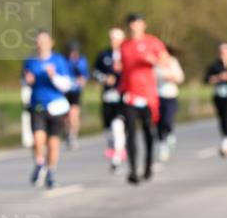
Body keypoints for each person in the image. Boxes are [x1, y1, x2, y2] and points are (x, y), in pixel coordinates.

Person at [118, 13, 168, 184]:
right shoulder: (124, 46)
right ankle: (133, 170)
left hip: (148, 95)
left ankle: (148, 166)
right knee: (130, 132)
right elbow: (121, 67)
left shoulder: (153, 42)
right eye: (131, 24)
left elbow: (165, 62)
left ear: (143, 25)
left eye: (137, 23)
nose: (134, 27)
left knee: (148, 131)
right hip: (130, 95)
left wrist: (153, 60)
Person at [23, 30, 73, 188]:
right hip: (37, 104)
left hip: (56, 106)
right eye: (38, 41)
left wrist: (53, 76)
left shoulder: (58, 60)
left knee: (53, 142)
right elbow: (24, 81)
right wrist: (27, 81)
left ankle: (51, 171)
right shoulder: (30, 61)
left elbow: (67, 85)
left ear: (51, 42)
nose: (41, 44)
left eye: (44, 41)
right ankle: (39, 164)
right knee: (38, 139)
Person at [92, 27, 127, 173]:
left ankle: (117, 157)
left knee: (118, 126)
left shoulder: (126, 55)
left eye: (116, 39)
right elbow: (95, 71)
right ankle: (114, 149)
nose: (113, 41)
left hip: (122, 96)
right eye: (111, 38)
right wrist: (104, 78)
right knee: (109, 129)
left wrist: (121, 73)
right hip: (107, 96)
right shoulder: (104, 55)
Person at [205, 43, 227, 156]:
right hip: (219, 95)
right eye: (222, 53)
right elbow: (207, 79)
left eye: (226, 53)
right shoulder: (215, 66)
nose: (224, 55)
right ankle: (226, 138)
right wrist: (219, 77)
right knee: (223, 117)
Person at [155, 47, 185, 162]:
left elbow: (180, 77)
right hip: (157, 96)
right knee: (159, 122)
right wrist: (162, 76)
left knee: (168, 119)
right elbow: (151, 77)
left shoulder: (173, 62)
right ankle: (162, 145)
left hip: (170, 95)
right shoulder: (155, 64)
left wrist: (172, 77)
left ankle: (170, 134)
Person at [64, 40, 89, 150]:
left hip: (75, 91)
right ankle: (68, 132)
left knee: (73, 113)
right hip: (65, 91)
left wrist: (81, 80)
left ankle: (73, 135)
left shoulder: (80, 61)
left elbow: (84, 76)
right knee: (66, 116)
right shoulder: (64, 60)